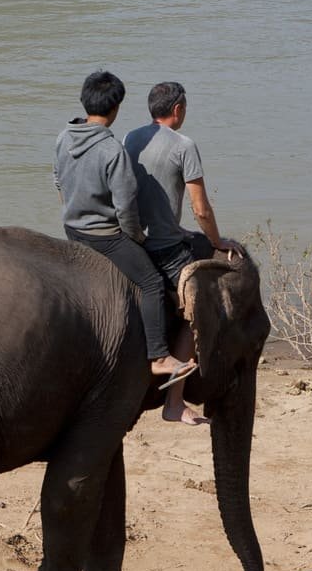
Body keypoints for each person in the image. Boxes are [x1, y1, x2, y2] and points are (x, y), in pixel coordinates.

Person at [54, 70, 195, 389]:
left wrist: (75, 212)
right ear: (115, 108)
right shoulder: (112, 150)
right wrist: (137, 238)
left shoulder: (64, 137)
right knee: (152, 282)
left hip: (72, 229)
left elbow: (59, 182)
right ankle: (159, 357)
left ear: (84, 101)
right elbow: (126, 208)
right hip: (104, 236)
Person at [123, 82, 246, 424]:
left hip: (132, 243)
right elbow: (201, 209)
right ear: (178, 110)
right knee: (197, 312)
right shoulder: (184, 146)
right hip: (166, 250)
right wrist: (219, 241)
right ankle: (174, 401)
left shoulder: (130, 139)